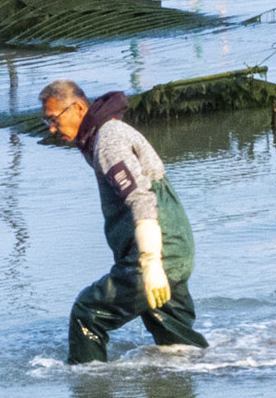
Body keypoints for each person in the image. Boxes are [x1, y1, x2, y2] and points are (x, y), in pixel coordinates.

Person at [39, 79, 209, 364]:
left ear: (78, 107)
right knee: (178, 344)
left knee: (88, 314)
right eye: (48, 123)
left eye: (53, 120)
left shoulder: (108, 141)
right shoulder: (102, 135)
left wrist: (151, 262)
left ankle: (90, 397)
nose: (52, 130)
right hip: (176, 246)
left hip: (158, 251)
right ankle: (202, 387)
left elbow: (141, 199)